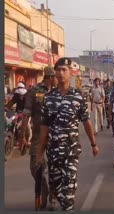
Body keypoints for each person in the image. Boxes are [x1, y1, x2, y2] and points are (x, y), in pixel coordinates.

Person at [36, 57, 99, 211]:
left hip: (71, 151)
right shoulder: (48, 99)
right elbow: (44, 128)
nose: (61, 73)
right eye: (58, 70)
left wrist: (93, 144)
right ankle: (62, 200)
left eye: (64, 70)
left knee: (68, 192)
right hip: (53, 152)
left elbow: (86, 122)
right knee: (57, 189)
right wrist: (39, 153)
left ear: (71, 73)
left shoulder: (78, 97)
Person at [19, 66, 58, 210]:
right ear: (49, 77)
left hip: (54, 136)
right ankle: (44, 188)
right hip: (37, 136)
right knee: (34, 167)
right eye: (55, 76)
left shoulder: (58, 93)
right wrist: (22, 136)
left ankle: (53, 197)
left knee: (54, 168)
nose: (57, 78)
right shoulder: (33, 91)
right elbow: (26, 114)